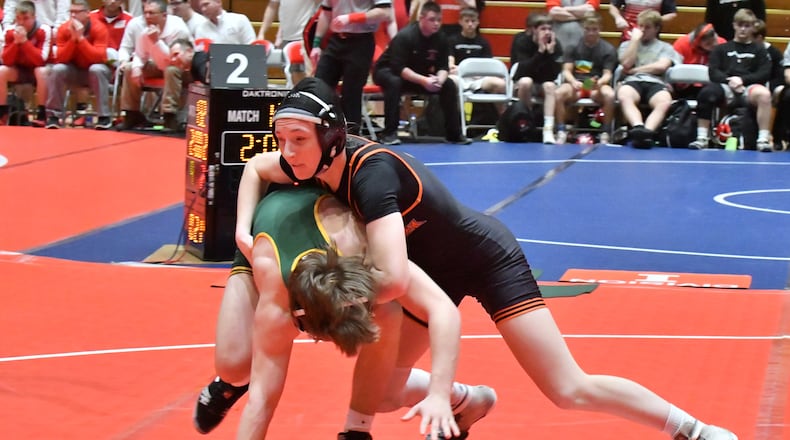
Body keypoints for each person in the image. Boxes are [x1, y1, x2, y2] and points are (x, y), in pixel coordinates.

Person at [236, 75, 740, 440]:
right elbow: (255, 168)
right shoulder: (303, 162)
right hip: (432, 270)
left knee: (568, 388)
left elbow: (389, 279)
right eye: (283, 139)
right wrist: (241, 230)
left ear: (332, 138)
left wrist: (331, 298)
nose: (289, 153)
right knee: (384, 392)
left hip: (484, 257)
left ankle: (695, 431)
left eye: (298, 140)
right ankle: (468, 400)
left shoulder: (371, 175)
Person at [227, 184, 496, 440]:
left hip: (445, 242)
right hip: (262, 231)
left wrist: (439, 393)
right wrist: (241, 229)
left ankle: (356, 430)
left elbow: (442, 309)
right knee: (233, 366)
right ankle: (224, 383)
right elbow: (261, 400)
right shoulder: (275, 303)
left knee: (387, 321)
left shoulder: (367, 254)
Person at [372, 1, 472, 145]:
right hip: (388, 71)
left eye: (439, 20)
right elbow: (399, 68)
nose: (436, 23)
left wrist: (439, 80)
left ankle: (454, 134)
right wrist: (424, 81)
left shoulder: (441, 38)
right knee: (395, 82)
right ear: (421, 18)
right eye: (432, 20)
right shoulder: (405, 36)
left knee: (449, 85)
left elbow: (443, 66)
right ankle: (389, 133)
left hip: (417, 74)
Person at [688, 8, 773, 152]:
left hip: (748, 87)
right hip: (726, 86)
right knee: (706, 92)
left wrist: (742, 80)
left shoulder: (759, 50)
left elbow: (764, 73)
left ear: (753, 27)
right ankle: (702, 138)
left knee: (764, 95)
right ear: (734, 25)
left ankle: (763, 139)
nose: (743, 29)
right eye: (740, 25)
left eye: (747, 26)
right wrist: (730, 81)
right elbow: (713, 72)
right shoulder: (721, 48)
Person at [309, 0, 393, 135]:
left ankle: (352, 138)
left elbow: (385, 13)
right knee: (320, 86)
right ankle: (319, 132)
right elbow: (326, 12)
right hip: (336, 40)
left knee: (351, 93)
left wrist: (351, 18)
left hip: (360, 41)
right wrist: (316, 44)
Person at [113, 0, 191, 131]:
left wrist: (157, 42)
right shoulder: (145, 31)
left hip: (182, 67)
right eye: (145, 13)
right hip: (157, 65)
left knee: (171, 70)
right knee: (129, 68)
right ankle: (132, 114)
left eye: (152, 13)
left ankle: (169, 116)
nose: (147, 16)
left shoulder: (178, 27)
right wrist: (137, 67)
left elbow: (173, 60)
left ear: (164, 15)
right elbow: (140, 54)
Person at [615, 9, 681, 149]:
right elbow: (626, 64)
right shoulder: (627, 45)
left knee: (664, 101)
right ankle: (638, 127)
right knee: (624, 94)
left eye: (648, 27)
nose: (643, 30)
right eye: (641, 26)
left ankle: (647, 132)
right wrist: (634, 40)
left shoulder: (665, 47)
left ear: (657, 28)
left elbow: (661, 66)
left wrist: (635, 70)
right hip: (633, 81)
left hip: (655, 81)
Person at [44, 0, 113, 129]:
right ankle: (53, 116)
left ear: (87, 13)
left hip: (95, 72)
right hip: (74, 72)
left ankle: (104, 117)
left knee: (97, 69)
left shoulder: (99, 28)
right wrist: (73, 39)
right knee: (57, 69)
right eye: (71, 12)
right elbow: (61, 58)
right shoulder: (64, 29)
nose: (73, 16)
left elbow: (98, 58)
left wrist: (81, 39)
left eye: (77, 12)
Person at [553, 12, 617, 144]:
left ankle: (605, 132)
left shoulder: (608, 49)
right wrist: (572, 81)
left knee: (610, 95)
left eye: (594, 29)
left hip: (595, 86)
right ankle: (561, 130)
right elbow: (567, 70)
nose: (591, 33)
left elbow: (608, 74)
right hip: (576, 85)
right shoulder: (572, 47)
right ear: (583, 29)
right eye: (588, 29)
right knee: (558, 93)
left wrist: (601, 82)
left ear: (600, 29)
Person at [509, 13, 564, 144]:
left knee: (550, 86)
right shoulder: (521, 41)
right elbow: (521, 71)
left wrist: (549, 54)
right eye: (543, 29)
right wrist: (540, 52)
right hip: (524, 83)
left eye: (550, 29)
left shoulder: (555, 44)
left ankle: (548, 129)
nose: (547, 32)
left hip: (543, 83)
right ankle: (527, 123)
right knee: (526, 82)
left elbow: (554, 75)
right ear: (533, 30)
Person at [0, 0, 53, 126]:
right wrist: (15, 43)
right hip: (20, 70)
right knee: (1, 71)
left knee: (41, 71)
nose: (21, 22)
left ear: (34, 17)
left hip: (39, 71)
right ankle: (2, 113)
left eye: (26, 18)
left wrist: (24, 42)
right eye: (18, 18)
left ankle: (42, 114)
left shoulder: (44, 30)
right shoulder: (9, 31)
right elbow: (6, 60)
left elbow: (40, 60)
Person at [671, 22, 726, 99]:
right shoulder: (681, 44)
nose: (713, 45)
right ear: (698, 43)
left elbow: (724, 70)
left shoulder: (722, 44)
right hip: (685, 87)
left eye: (714, 41)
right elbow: (674, 69)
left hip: (711, 88)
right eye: (708, 44)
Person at [608, 0, 676, 42]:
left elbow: (671, 13)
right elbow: (613, 6)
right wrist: (618, 18)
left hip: (651, 35)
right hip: (628, 33)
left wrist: (653, 20)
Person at [3, 0, 68, 33]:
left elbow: (63, 13)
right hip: (21, 30)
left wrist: (55, 33)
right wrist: (7, 29)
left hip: (50, 30)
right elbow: (9, 9)